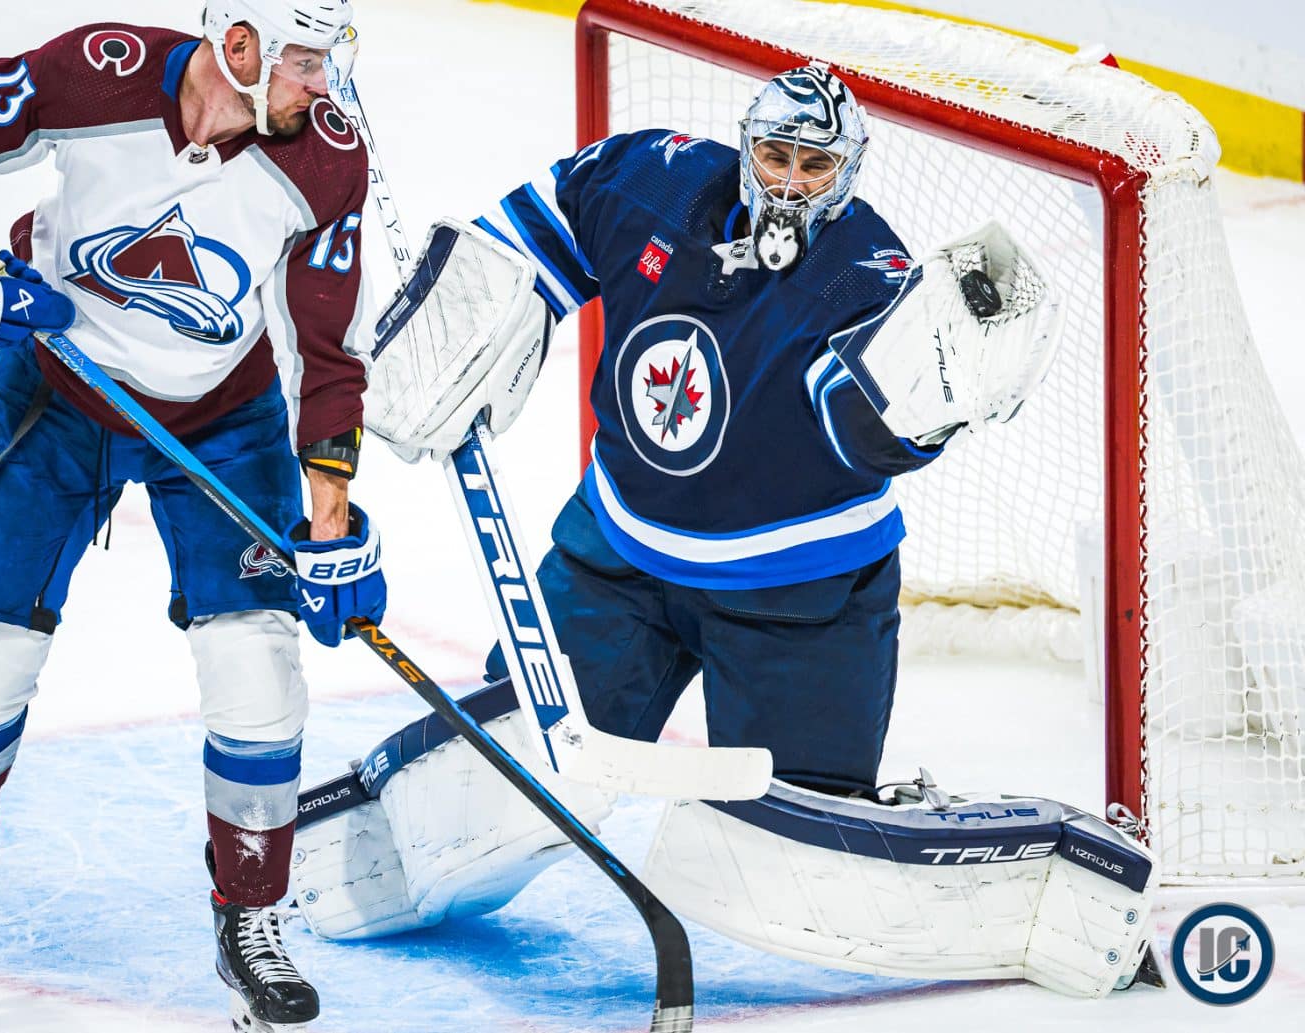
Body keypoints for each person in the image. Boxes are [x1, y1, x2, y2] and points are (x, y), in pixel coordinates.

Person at [287, 68, 1160, 1000]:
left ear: (849, 171)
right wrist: (466, 311)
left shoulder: (869, 282)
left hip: (799, 600)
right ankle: (360, 861)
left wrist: (936, 387)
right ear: (747, 147)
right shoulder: (651, 183)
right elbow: (550, 219)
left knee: (796, 849)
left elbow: (868, 426)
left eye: (814, 166)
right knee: (514, 765)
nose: (790, 182)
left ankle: (1029, 901)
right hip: (619, 560)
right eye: (776, 156)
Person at [0, 2, 382, 1026]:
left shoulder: (327, 160)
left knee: (257, 668)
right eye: (302, 62)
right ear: (238, 46)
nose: (321, 86)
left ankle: (251, 912)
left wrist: (330, 518)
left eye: (329, 62)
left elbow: (328, 347)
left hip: (223, 416)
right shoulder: (97, 74)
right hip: (56, 388)